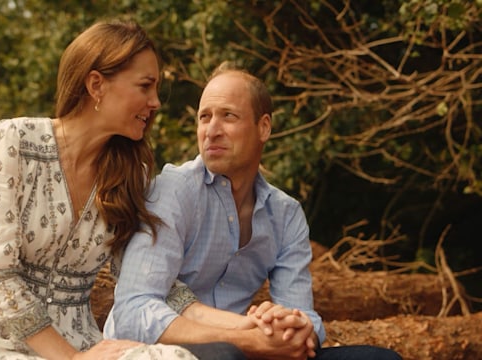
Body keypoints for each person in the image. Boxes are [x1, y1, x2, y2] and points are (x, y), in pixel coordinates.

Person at [0, 20, 244, 360]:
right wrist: (73, 359)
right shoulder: (13, 140)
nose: (156, 102)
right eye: (146, 86)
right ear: (96, 84)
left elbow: (145, 274)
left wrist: (244, 328)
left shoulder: (132, 172)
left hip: (83, 343)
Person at [105, 63, 402, 360]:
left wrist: (296, 327)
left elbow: (303, 314)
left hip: (250, 349)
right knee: (223, 355)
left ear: (263, 127)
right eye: (204, 117)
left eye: (228, 116)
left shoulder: (285, 215)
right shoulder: (173, 191)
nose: (212, 131)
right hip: (170, 352)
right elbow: (134, 309)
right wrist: (245, 339)